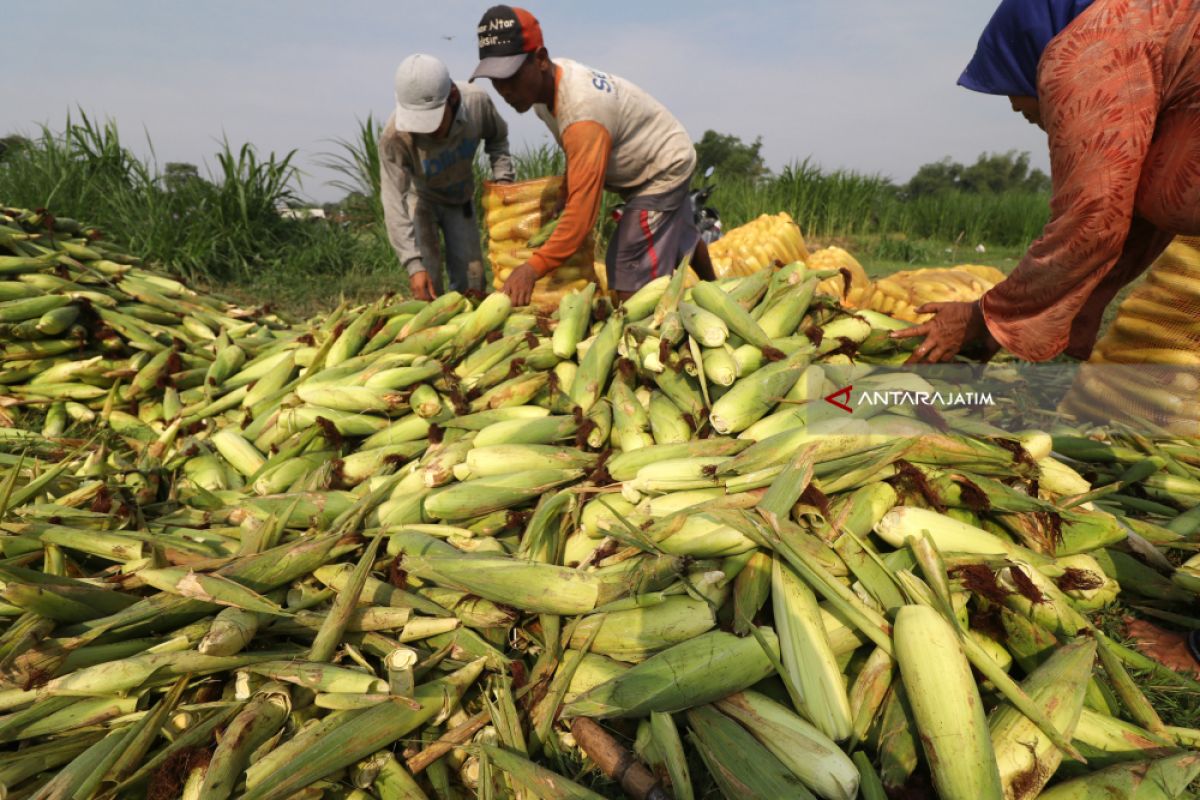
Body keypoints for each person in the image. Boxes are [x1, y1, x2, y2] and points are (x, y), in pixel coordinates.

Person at [895, 0, 1200, 363]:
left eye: (1009, 84)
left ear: (1032, 50)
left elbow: (1093, 219)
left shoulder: (1092, 48)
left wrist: (981, 316)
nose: (1013, 107)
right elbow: (1129, 218)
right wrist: (1073, 315)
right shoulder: (1157, 29)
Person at [469, 5, 716, 306]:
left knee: (627, 266)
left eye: (512, 76)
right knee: (678, 233)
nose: (504, 90)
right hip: (647, 158)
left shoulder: (582, 110)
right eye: (495, 79)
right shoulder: (543, 95)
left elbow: (581, 218)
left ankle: (642, 336)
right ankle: (719, 291)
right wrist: (566, 187)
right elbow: (578, 154)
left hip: (663, 168)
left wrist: (531, 269)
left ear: (541, 60)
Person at [381, 53, 515, 301]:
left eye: (431, 122)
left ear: (452, 98)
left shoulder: (477, 102)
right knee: (428, 284)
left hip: (461, 200)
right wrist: (413, 265)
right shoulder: (395, 137)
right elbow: (392, 201)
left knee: (473, 283)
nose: (425, 132)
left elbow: (497, 139)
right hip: (421, 201)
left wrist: (503, 184)